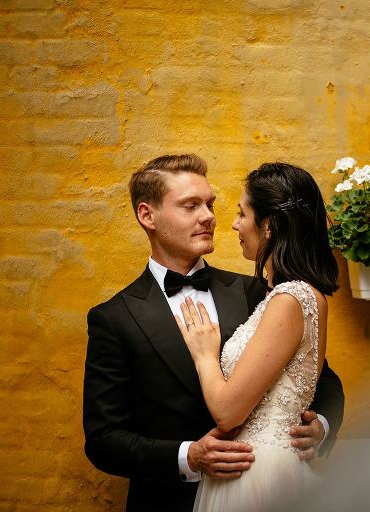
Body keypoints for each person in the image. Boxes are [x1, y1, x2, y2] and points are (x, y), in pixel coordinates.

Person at [82, 155, 344, 511]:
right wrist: (188, 456)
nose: (208, 217)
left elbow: (320, 377)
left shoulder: (258, 292)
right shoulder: (114, 318)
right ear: (148, 216)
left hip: (262, 489)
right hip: (168, 501)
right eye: (190, 206)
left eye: (210, 204)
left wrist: (321, 427)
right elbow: (103, 440)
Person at [177, 161, 339, 511]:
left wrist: (206, 355)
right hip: (253, 468)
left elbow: (227, 412)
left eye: (241, 213)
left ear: (269, 226)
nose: (233, 224)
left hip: (258, 473)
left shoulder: (289, 299)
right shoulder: (293, 296)